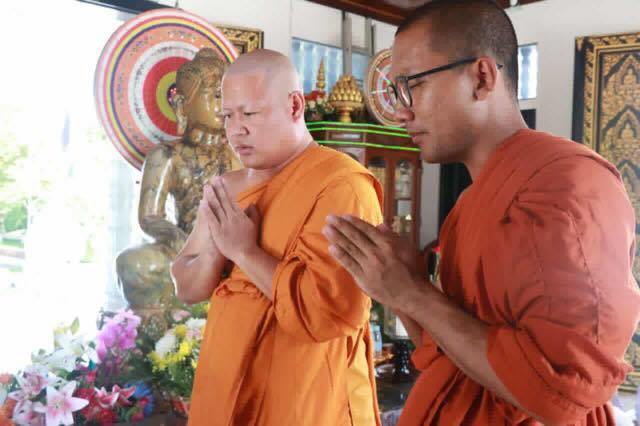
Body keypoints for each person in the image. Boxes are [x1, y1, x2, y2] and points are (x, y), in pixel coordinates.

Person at [322, 0, 640, 424]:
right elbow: (450, 351)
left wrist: (413, 294)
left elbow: (560, 390)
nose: (401, 112)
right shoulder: (471, 203)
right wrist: (400, 288)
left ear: (481, 77)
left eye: (413, 85)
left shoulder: (568, 184)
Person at [171, 49, 382, 426]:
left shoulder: (342, 185)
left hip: (302, 399)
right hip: (224, 388)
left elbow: (329, 313)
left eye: (250, 114)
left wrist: (244, 252)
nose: (236, 130)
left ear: (295, 105)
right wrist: (217, 252)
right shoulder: (226, 188)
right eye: (228, 116)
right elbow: (186, 286)